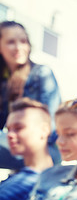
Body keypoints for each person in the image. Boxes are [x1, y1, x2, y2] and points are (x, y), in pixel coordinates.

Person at [0, 20, 62, 168]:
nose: (19, 47)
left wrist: (20, 137)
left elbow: (53, 127)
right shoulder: (4, 81)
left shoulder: (42, 74)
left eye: (23, 41)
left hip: (45, 151)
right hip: (16, 147)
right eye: (11, 42)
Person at [0, 98, 54, 200]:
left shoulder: (49, 185)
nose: (10, 135)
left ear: (44, 130)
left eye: (18, 128)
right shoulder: (18, 176)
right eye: (8, 129)